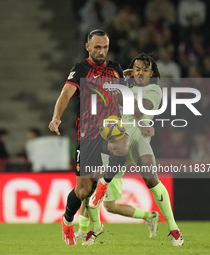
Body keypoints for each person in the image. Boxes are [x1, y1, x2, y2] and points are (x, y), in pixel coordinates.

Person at [76, 53, 184, 246]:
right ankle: (92, 228)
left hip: (138, 138)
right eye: (137, 69)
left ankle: (174, 229)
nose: (140, 72)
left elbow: (141, 108)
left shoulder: (154, 89)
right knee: (96, 186)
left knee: (152, 179)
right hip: (117, 140)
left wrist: (118, 86)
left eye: (145, 69)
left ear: (152, 73)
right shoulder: (126, 86)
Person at [49, 29, 134, 245]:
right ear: (88, 47)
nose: (101, 51)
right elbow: (65, 94)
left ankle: (105, 183)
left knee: (123, 145)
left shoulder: (115, 68)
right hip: (87, 135)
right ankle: (67, 221)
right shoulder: (80, 70)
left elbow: (121, 94)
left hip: (109, 130)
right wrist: (56, 117)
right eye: (97, 47)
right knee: (84, 189)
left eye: (105, 47)